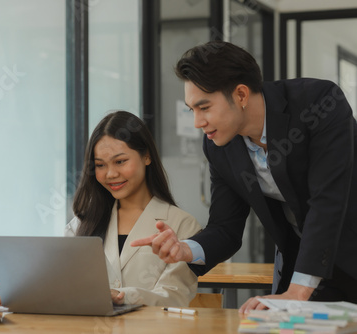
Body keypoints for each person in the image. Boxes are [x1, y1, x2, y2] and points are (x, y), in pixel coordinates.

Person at [132, 41, 357, 312]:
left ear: (240, 95)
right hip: (306, 267)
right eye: (192, 110)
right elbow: (225, 227)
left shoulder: (319, 102)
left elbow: (327, 202)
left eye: (204, 108)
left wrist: (296, 292)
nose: (197, 123)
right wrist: (186, 249)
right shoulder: (219, 146)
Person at [65, 111, 201, 307]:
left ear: (146, 156)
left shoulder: (183, 224)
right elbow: (63, 285)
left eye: (120, 161)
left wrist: (123, 296)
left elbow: (175, 296)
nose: (110, 174)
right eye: (100, 165)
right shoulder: (81, 224)